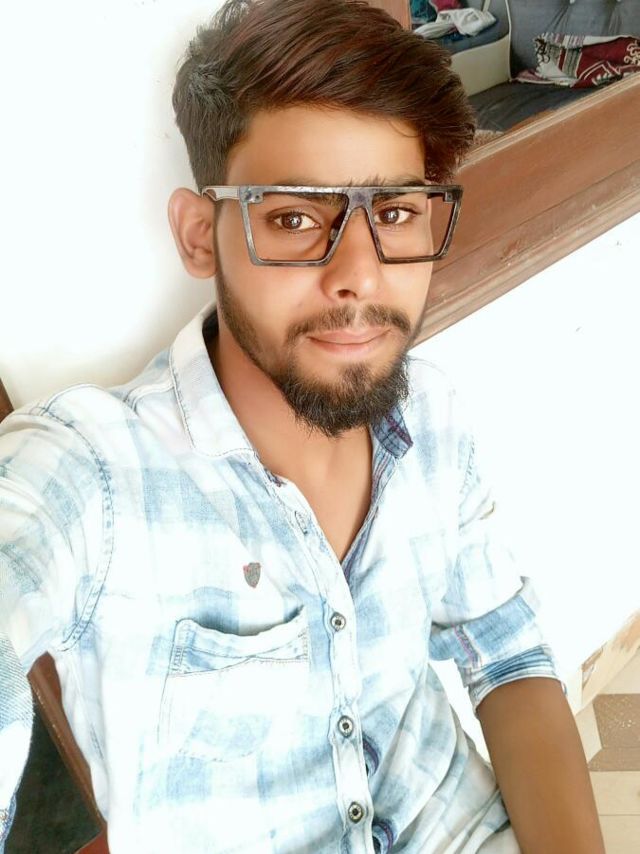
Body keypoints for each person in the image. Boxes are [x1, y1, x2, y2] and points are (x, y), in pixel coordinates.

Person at [0, 1, 605, 852]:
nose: (359, 276)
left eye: (394, 213)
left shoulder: (430, 414)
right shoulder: (91, 476)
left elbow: (508, 656)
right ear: (200, 236)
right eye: (294, 218)